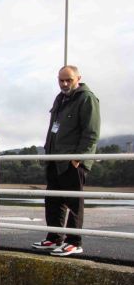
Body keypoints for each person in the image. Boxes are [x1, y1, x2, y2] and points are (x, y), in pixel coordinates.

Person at [32, 65, 101, 256]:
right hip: (55, 158)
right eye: (61, 80)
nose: (64, 84)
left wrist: (79, 158)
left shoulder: (87, 98)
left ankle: (74, 241)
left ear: (78, 78)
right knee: (53, 200)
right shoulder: (60, 98)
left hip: (72, 160)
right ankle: (54, 238)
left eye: (68, 80)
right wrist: (48, 153)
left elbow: (91, 132)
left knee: (74, 201)